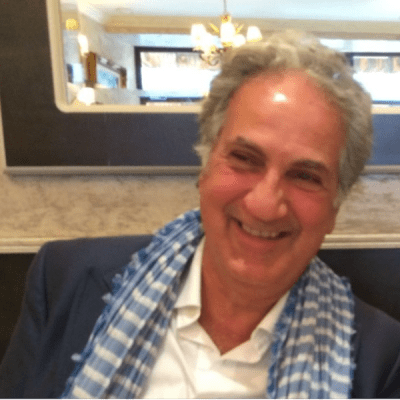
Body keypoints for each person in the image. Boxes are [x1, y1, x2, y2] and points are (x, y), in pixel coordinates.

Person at [1, 30, 400, 399]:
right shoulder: (64, 281)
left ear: (334, 208)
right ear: (205, 167)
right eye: (244, 158)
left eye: (305, 176)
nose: (264, 204)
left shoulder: (382, 359)